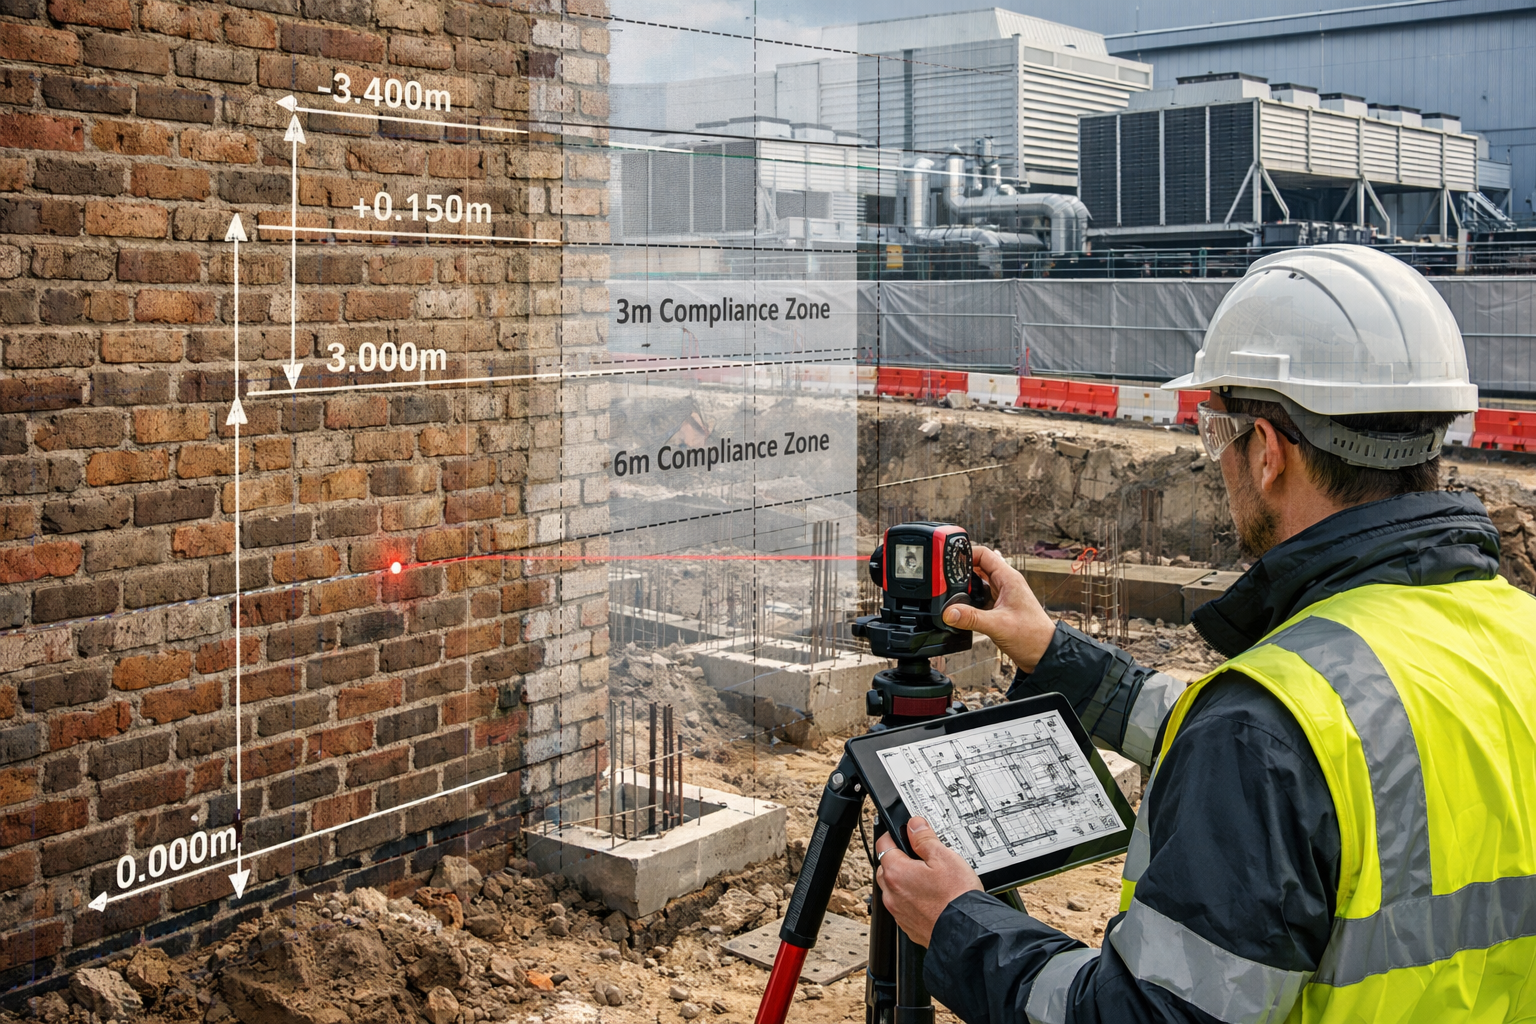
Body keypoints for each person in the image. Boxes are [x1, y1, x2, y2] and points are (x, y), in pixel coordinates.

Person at [872, 245, 1536, 1024]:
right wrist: (1053, 652)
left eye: (1216, 429)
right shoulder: (1510, 633)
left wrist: (959, 926)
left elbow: (1143, 1013)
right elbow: (1336, 755)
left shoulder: (1269, 724)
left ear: (1269, 452)